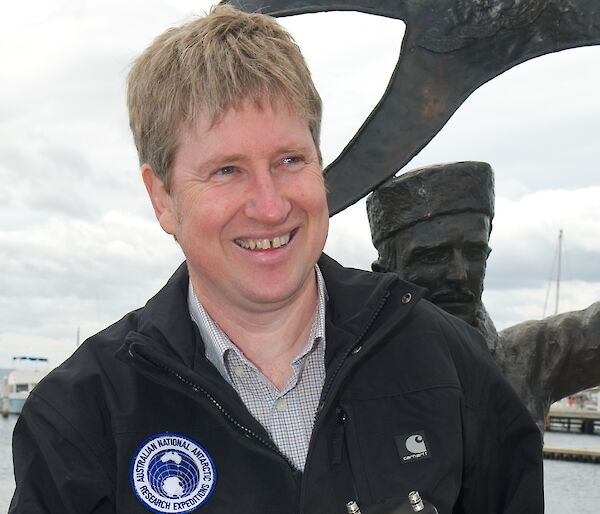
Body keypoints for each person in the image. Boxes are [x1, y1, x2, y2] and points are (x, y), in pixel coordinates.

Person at [11, 7, 543, 514]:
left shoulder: (446, 361)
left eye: (290, 160)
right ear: (163, 198)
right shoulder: (82, 415)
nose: (270, 206)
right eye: (227, 171)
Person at [367, 161, 600, 433]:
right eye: (433, 256)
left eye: (474, 253)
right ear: (384, 273)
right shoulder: (354, 376)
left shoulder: (530, 359)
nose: (459, 275)